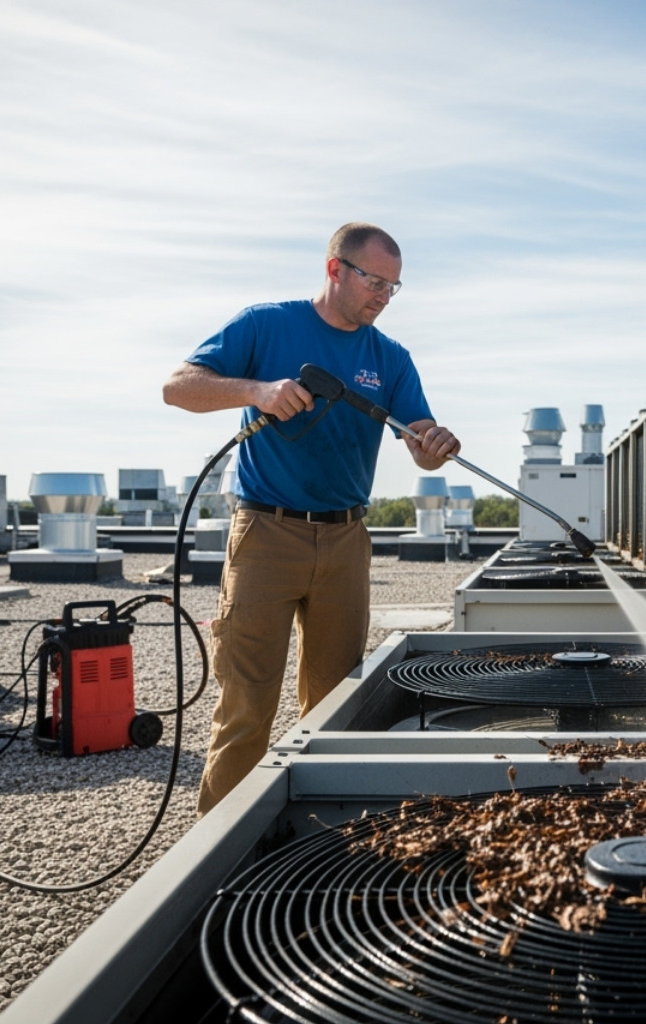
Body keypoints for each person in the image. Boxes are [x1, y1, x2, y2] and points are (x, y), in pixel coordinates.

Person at [162, 222, 460, 815]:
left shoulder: (390, 357)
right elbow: (178, 388)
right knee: (248, 704)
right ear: (335, 270)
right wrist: (258, 392)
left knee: (336, 704)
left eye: (393, 287)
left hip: (347, 538)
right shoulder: (266, 323)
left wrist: (433, 444)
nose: (383, 296)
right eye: (375, 281)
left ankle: (317, 835)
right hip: (267, 535)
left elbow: (419, 440)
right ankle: (216, 854)